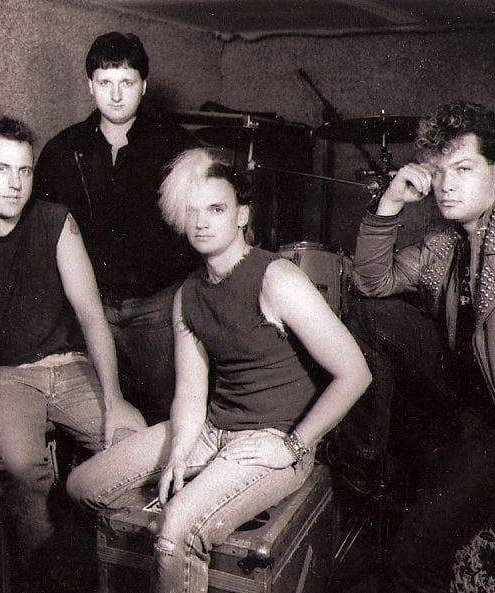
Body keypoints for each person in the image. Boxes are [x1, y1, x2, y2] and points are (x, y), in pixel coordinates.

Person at [66, 147, 371, 593]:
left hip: (273, 439)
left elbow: (356, 373)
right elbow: (191, 393)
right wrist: (177, 454)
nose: (202, 222)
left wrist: (295, 445)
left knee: (176, 532)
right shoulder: (187, 294)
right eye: (192, 211)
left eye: (216, 209)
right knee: (82, 485)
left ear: (242, 215)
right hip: (213, 429)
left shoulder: (277, 278)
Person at [0, 116, 147, 591]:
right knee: (23, 467)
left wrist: (114, 399)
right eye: (1, 169)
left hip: (68, 366)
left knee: (134, 445)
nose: (15, 183)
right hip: (2, 378)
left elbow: (91, 314)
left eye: (24, 170)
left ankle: (120, 574)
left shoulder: (55, 220)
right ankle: (47, 579)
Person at [343, 100, 495, 592]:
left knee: (414, 555)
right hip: (469, 402)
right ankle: (364, 464)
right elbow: (372, 283)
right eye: (439, 171)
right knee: (372, 315)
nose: (446, 185)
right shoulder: (446, 241)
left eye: (463, 169)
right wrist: (391, 202)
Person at [32, 31, 199, 426]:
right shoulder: (61, 151)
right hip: (87, 311)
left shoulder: (178, 147)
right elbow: (40, 230)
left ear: (144, 85)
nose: (117, 95)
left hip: (158, 309)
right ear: (90, 85)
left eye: (127, 82)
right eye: (105, 82)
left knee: (164, 415)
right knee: (98, 418)